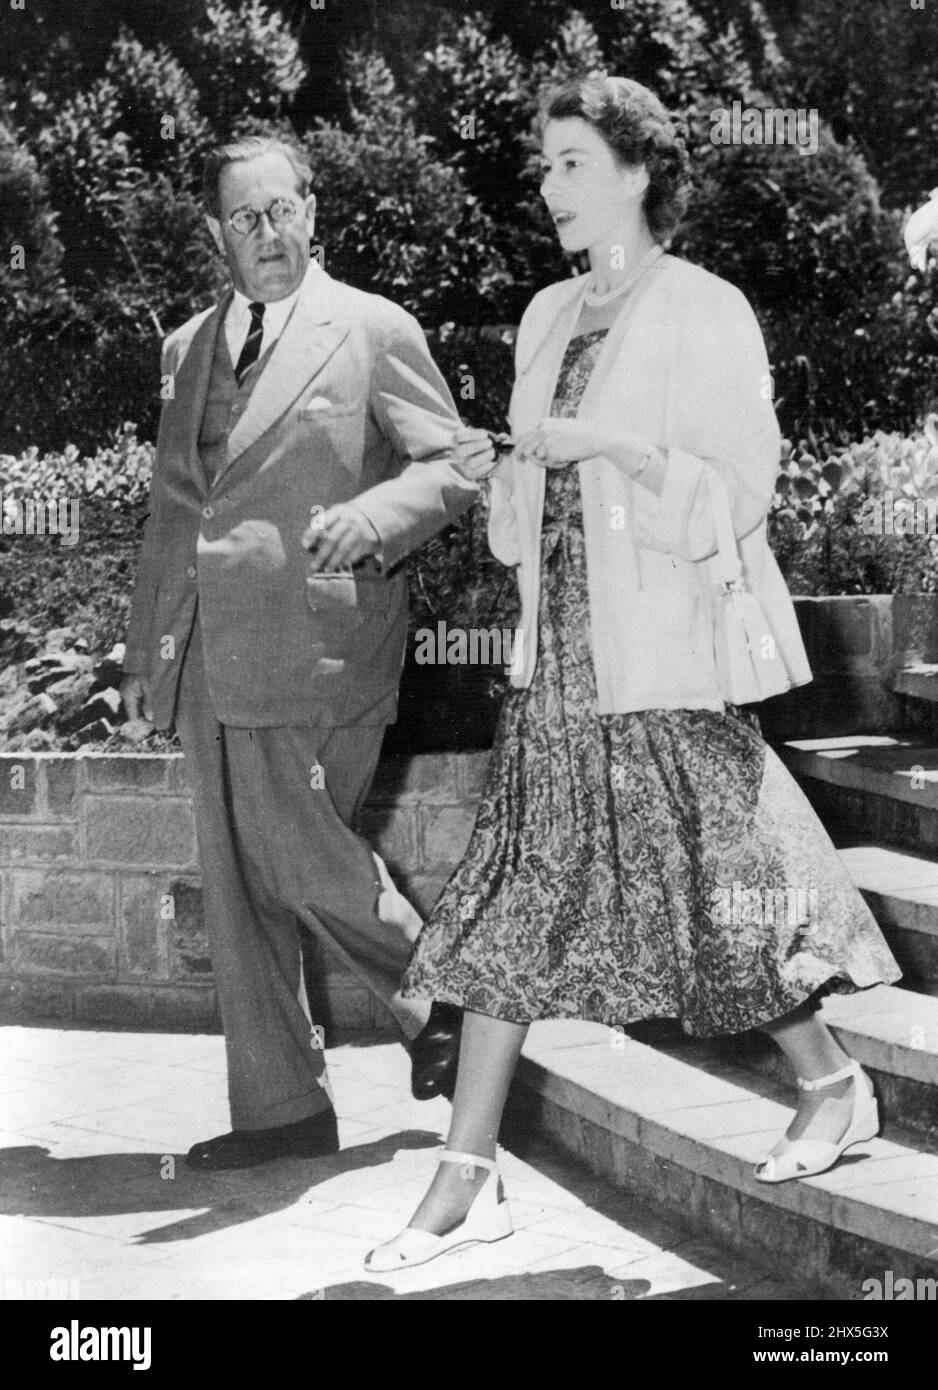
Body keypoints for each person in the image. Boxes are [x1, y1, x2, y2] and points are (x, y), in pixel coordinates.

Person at [365, 74, 902, 1271]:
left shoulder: (704, 308)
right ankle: (466, 1176)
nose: (547, 186)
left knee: (722, 883)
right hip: (552, 663)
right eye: (544, 164)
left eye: (568, 162)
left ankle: (826, 1080)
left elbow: (737, 495)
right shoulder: (545, 316)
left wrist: (605, 444)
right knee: (508, 897)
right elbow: (523, 530)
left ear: (637, 171)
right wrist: (500, 466)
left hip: (660, 660)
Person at [120, 135, 468, 1170]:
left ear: (312, 213)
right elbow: (174, 509)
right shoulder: (187, 346)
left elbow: (454, 460)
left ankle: (435, 995)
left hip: (323, 637)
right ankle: (281, 1108)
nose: (268, 235)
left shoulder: (370, 327)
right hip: (207, 650)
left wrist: (374, 515)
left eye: (284, 211)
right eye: (244, 218)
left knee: (290, 843)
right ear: (213, 235)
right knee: (234, 884)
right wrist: (146, 654)